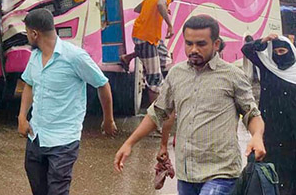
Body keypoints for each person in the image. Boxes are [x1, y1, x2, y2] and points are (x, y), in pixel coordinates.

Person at [114, 14, 266, 195]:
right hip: (186, 174)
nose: (193, 49)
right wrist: (129, 143)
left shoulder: (232, 75)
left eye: (201, 44)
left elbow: (251, 114)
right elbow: (158, 113)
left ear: (216, 44)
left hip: (221, 172)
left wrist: (256, 136)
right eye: (188, 43)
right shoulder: (176, 74)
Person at [18, 8, 117, 195]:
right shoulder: (35, 56)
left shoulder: (74, 57)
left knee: (57, 191)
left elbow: (102, 84)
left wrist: (108, 119)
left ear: (34, 33)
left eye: (27, 33)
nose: (27, 37)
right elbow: (29, 84)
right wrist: (22, 117)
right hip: (36, 136)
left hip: (63, 141)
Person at [241, 33, 296, 195]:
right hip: (271, 129)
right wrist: (264, 41)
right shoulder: (268, 67)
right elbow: (247, 50)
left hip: (293, 130)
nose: (279, 56)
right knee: (273, 173)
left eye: (283, 52)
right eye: (276, 52)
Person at [120, 0, 182, 106]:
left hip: (146, 36)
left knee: (164, 59)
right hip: (146, 37)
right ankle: (155, 113)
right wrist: (170, 25)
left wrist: (158, 10)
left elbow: (137, 9)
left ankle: (127, 57)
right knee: (155, 77)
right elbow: (160, 4)